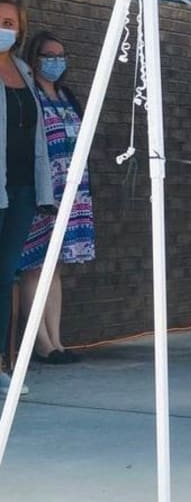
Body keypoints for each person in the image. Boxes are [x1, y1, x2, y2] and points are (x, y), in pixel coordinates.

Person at [18, 31, 94, 364]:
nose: (55, 61)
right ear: (34, 58)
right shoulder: (29, 95)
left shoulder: (66, 95)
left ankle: (58, 340)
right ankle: (41, 342)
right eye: (49, 55)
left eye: (60, 55)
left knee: (56, 268)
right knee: (35, 266)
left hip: (72, 192)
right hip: (43, 191)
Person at [0, 0, 53, 396]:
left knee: (5, 277)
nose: (4, 27)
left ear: (19, 30)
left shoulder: (21, 70)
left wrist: (44, 189)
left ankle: (1, 363)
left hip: (22, 189)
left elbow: (37, 135)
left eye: (9, 22)